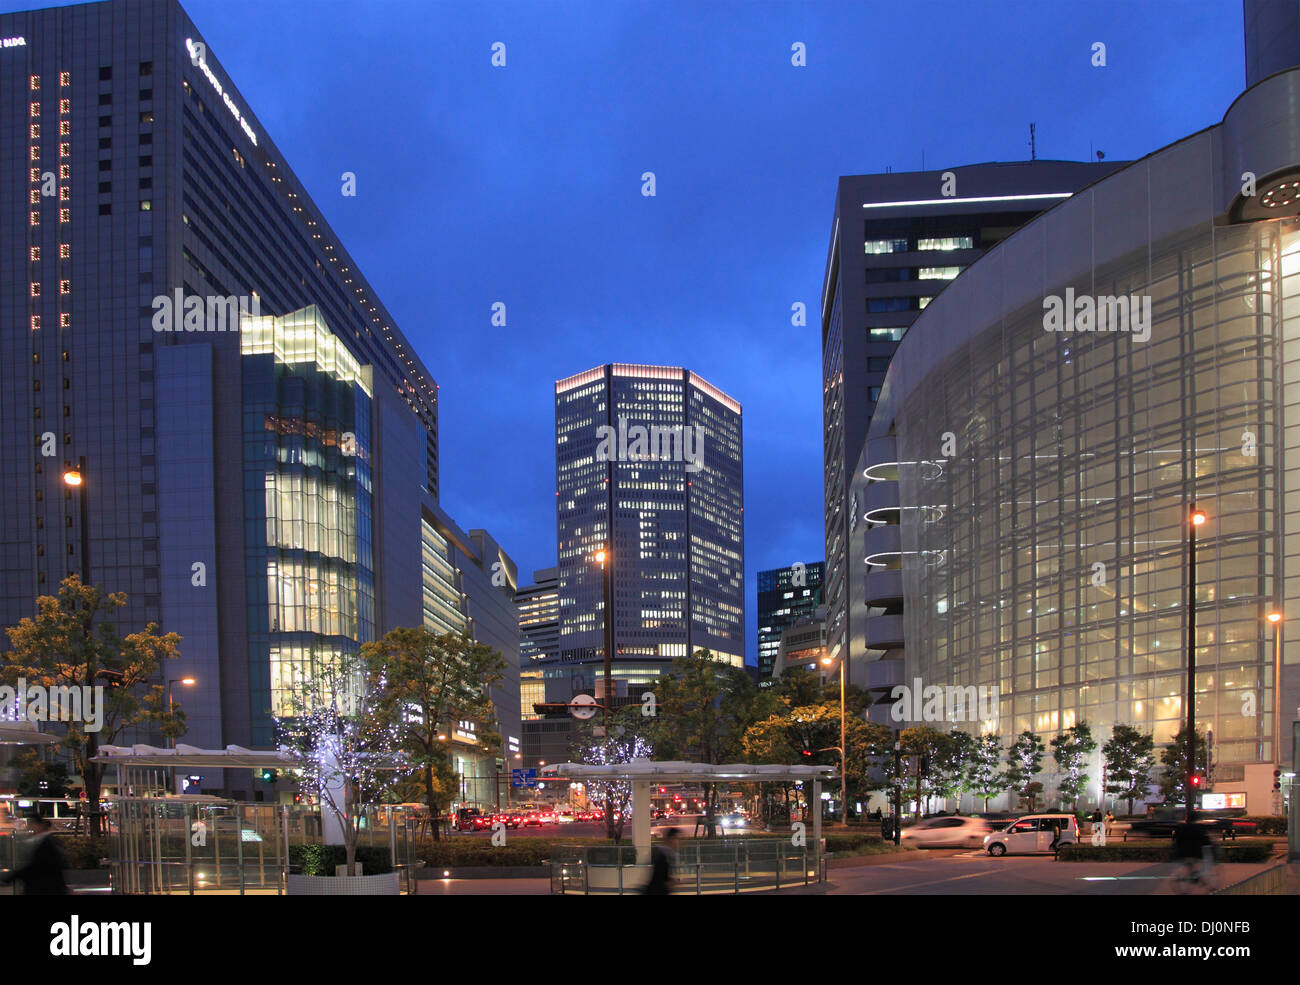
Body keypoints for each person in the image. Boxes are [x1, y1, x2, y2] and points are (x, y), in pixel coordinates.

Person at [0, 815, 69, 895]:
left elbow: (35, 867)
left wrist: (10, 877)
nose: (30, 829)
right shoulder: (46, 841)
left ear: (40, 825)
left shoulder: (47, 843)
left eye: (32, 825)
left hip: (43, 888)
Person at [1172, 821, 1213, 887]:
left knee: (1189, 861)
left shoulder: (1182, 828)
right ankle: (1202, 877)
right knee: (1208, 858)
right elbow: (1206, 841)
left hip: (1182, 853)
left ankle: (1188, 875)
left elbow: (1176, 841)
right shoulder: (1199, 828)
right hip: (1196, 853)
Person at [643, 827, 680, 895]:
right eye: (676, 838)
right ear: (670, 839)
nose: (678, 842)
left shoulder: (665, 853)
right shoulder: (664, 855)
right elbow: (660, 879)